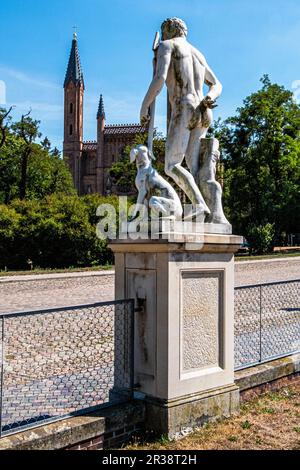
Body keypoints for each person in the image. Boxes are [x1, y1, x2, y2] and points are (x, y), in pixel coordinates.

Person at [140, 17, 222, 221]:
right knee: (194, 168)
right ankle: (210, 212)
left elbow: (159, 80)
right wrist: (209, 97)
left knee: (171, 165)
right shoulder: (197, 53)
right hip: (203, 109)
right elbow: (217, 84)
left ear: (167, 30)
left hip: (183, 107)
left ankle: (200, 205)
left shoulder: (167, 46)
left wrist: (144, 106)